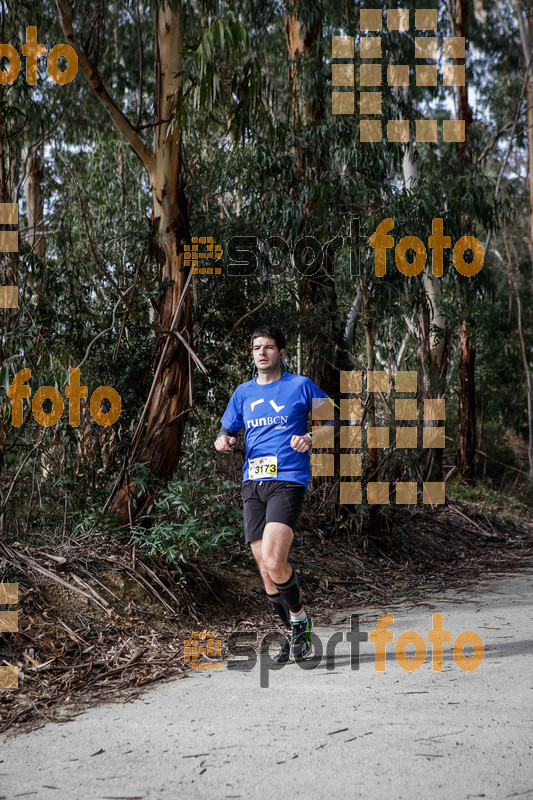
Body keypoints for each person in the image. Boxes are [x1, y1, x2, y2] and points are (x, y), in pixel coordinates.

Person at [214, 323, 337, 663]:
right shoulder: (243, 393)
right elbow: (226, 430)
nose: (262, 352)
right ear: (252, 354)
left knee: (274, 559)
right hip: (253, 482)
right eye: (257, 347)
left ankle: (300, 620)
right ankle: (294, 632)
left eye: (268, 346)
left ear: (281, 352)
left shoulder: (300, 386)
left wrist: (312, 439)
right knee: (264, 569)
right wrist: (224, 440)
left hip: (288, 477)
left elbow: (334, 422)